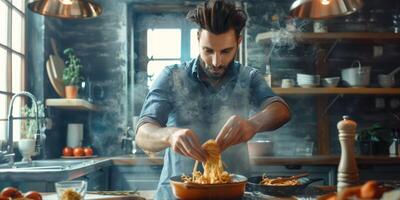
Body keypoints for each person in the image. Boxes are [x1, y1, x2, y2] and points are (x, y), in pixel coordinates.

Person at [135, 0, 291, 197]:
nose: (216, 62)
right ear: (198, 38)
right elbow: (142, 134)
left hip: (233, 192)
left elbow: (281, 110)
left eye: (226, 51)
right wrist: (169, 135)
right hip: (179, 194)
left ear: (239, 42)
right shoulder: (171, 76)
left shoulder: (248, 77)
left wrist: (253, 124)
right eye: (208, 50)